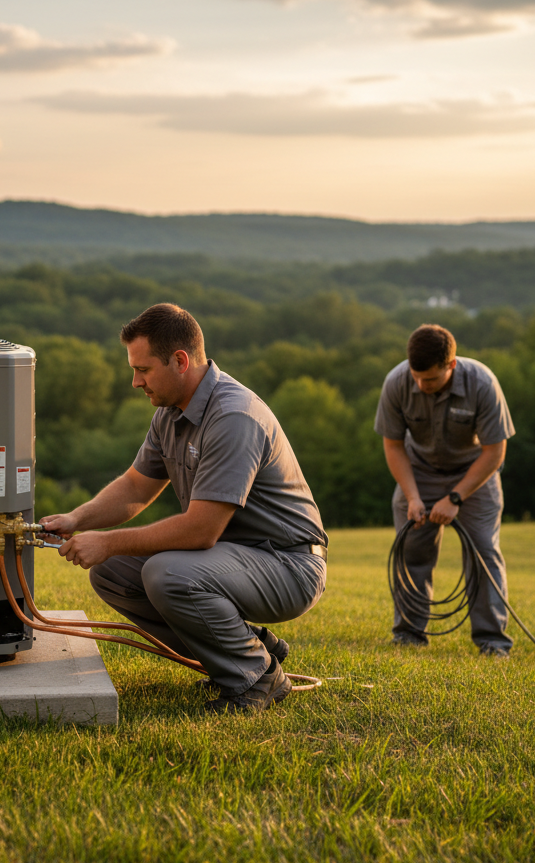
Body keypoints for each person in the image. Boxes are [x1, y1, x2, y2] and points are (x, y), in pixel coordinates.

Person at [40, 303, 328, 713]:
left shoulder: (232, 417)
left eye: (143, 370)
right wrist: (77, 519)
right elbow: (135, 488)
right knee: (112, 572)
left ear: (180, 361)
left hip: (288, 564)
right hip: (232, 560)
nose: (135, 382)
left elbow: (200, 531)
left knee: (166, 573)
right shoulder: (170, 412)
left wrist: (107, 541)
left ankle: (256, 677)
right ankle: (251, 647)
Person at [374, 324, 516, 656]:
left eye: (432, 380)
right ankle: (408, 633)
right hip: (418, 471)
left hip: (474, 474)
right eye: (417, 377)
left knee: (483, 553)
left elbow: (494, 452)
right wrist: (412, 497)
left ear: (451, 365)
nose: (422, 386)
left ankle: (492, 641)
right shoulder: (396, 382)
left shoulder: (482, 384)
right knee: (411, 551)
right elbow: (393, 446)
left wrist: (455, 498)